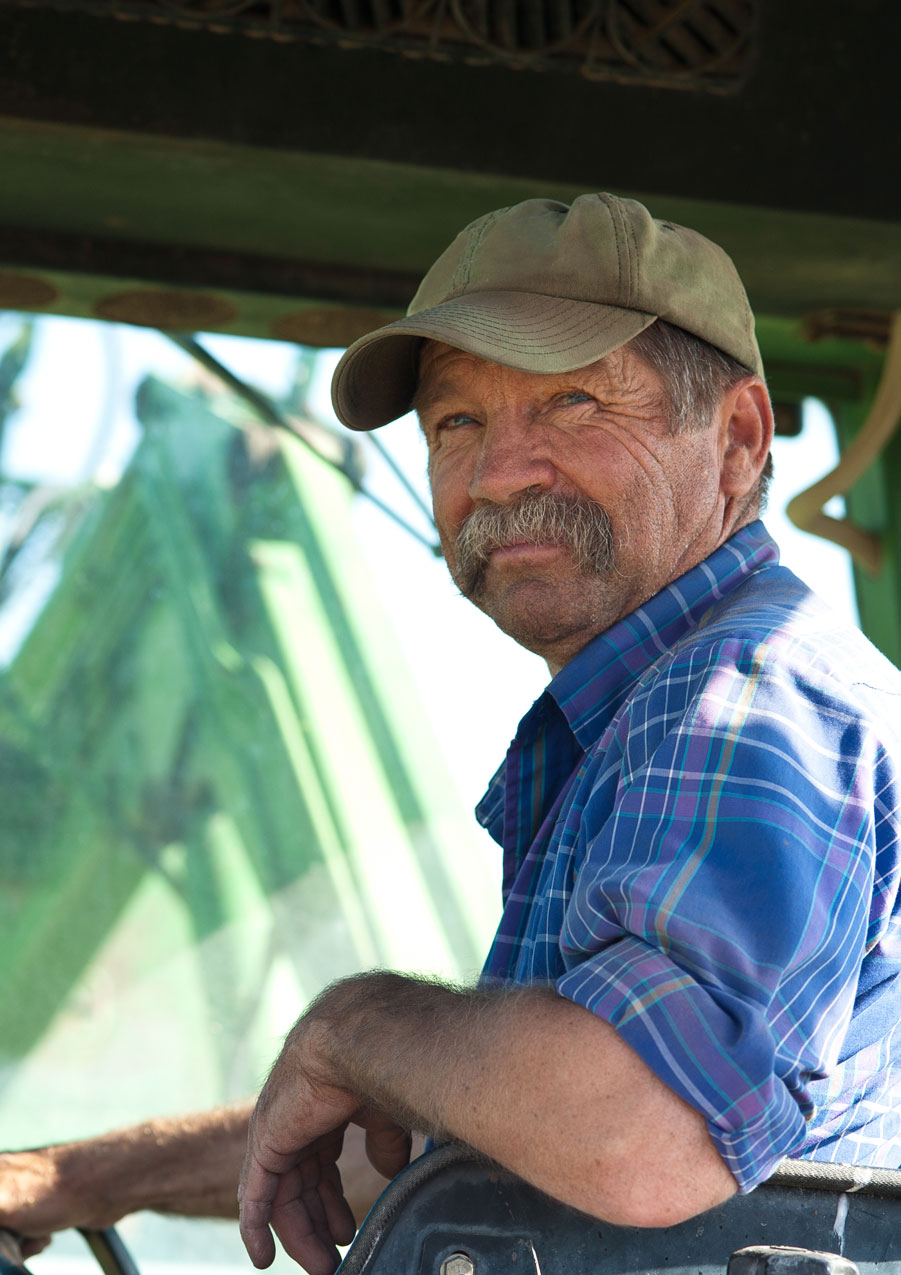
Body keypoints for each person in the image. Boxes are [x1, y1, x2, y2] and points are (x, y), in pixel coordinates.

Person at [3, 194, 901, 1275]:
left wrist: (354, 1024)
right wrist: (78, 1178)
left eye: (572, 401)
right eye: (455, 423)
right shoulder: (634, 723)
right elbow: (485, 1148)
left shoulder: (744, 697)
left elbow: (642, 1134)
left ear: (738, 439)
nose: (497, 473)